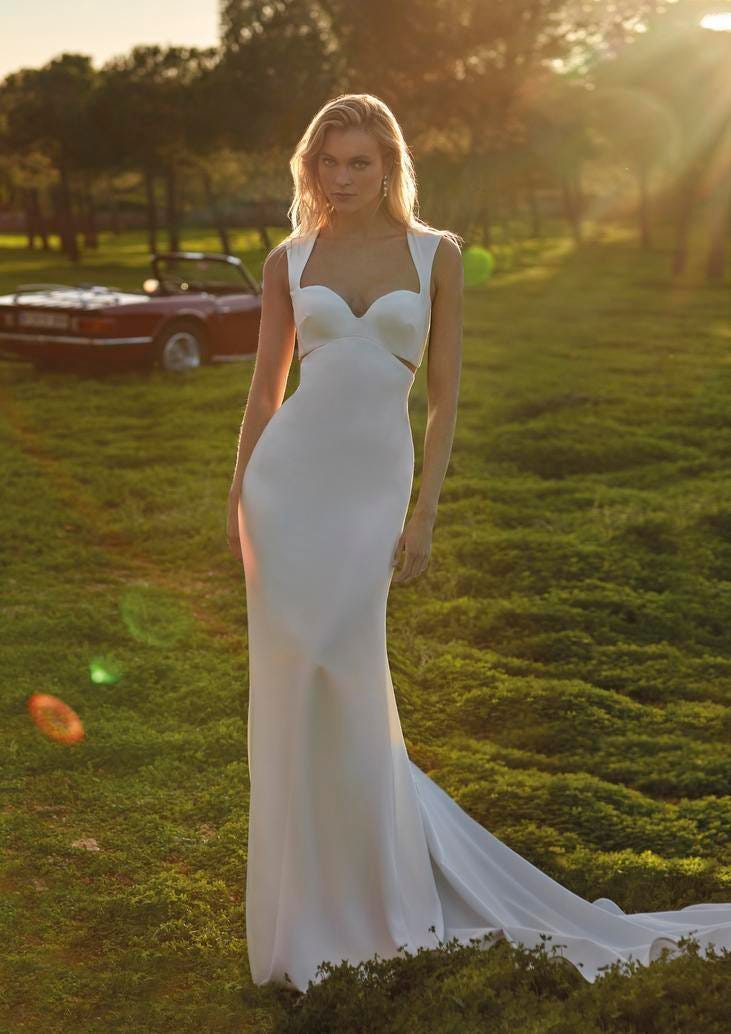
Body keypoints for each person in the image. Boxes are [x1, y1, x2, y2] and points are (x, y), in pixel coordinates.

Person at [227, 93, 731, 995]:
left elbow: (443, 399)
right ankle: (305, 909)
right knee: (295, 684)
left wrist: (423, 513)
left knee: (348, 672)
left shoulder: (436, 255)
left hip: (371, 490)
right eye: (328, 164)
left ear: (389, 167)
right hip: (286, 493)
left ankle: (375, 889)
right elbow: (264, 395)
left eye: (360, 164)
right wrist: (237, 499)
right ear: (311, 170)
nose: (342, 180)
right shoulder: (287, 258)